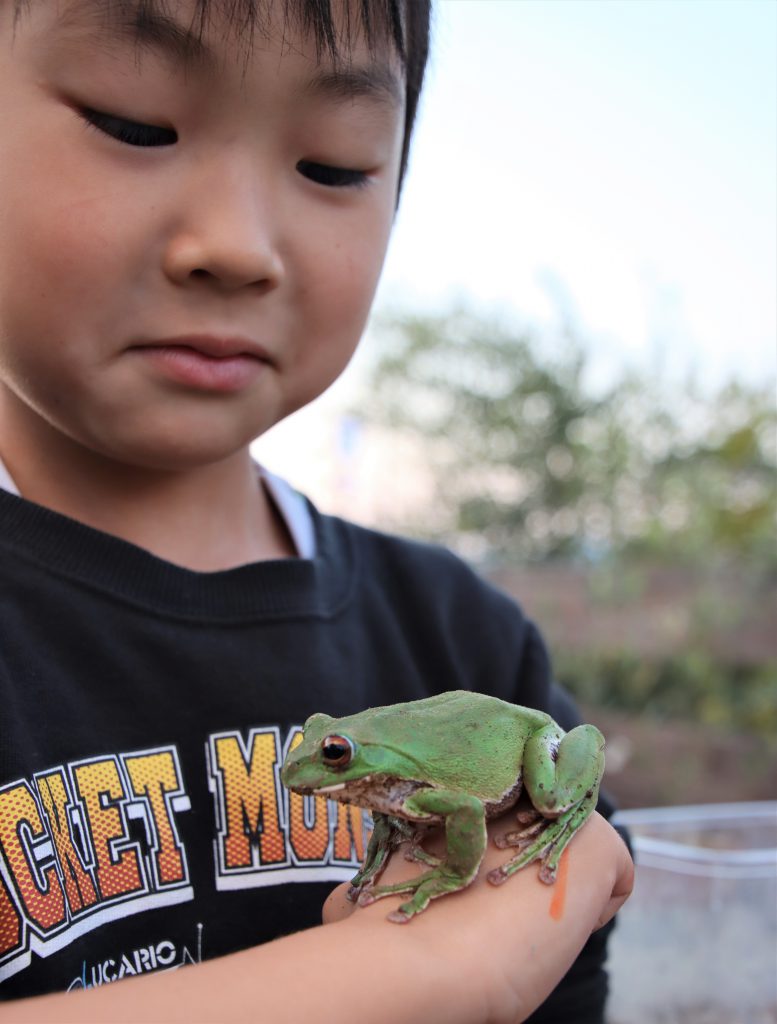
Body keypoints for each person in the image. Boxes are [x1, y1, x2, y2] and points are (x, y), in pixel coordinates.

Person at [0, 1, 633, 1021]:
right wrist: (411, 978)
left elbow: (585, 910)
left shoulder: (462, 632)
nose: (236, 245)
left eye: (334, 165)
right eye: (133, 121)